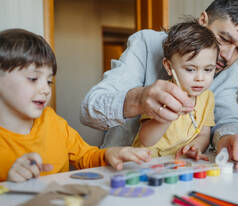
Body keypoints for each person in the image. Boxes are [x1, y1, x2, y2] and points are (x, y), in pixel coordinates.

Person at [81, 0, 238, 170]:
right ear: (203, 20)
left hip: (177, 171)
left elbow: (229, 117)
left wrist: (230, 138)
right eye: (224, 39)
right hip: (121, 169)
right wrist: (139, 99)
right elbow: (89, 110)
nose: (227, 56)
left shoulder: (228, 70)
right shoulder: (146, 43)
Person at [0, 29, 151, 183]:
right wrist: (9, 183)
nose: (45, 89)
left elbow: (86, 156)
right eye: (33, 78)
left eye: (49, 81)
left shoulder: (53, 122)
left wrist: (108, 154)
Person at [132, 21, 218, 160]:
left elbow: (203, 135)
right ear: (168, 66)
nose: (200, 78)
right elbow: (146, 140)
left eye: (208, 69)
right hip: (146, 162)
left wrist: (194, 148)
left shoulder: (208, 97)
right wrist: (168, 115)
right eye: (190, 69)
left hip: (176, 164)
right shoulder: (160, 93)